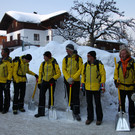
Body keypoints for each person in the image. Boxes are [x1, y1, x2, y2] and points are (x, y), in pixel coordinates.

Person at [81, 51, 106, 125]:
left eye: (89, 56)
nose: (88, 57)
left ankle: (99, 119)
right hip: (88, 88)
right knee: (89, 104)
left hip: (96, 88)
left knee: (97, 104)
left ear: (93, 57)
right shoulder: (85, 65)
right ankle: (90, 118)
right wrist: (82, 85)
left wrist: (102, 86)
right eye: (87, 56)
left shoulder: (99, 64)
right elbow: (83, 75)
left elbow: (103, 75)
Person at [35, 51, 61, 118]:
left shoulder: (54, 63)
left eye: (45, 56)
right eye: (44, 56)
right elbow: (40, 73)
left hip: (51, 82)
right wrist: (39, 82)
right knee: (41, 96)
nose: (44, 58)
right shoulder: (43, 64)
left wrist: (53, 78)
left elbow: (59, 73)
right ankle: (41, 112)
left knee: (51, 96)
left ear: (48, 57)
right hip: (44, 82)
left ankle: (50, 110)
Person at [114, 48, 135, 128]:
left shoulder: (132, 63)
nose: (122, 55)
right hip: (121, 87)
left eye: (124, 54)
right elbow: (116, 74)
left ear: (128, 54)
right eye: (121, 54)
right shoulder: (119, 64)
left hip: (131, 88)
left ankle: (132, 121)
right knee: (121, 104)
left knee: (131, 105)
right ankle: (121, 120)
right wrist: (116, 81)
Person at [62, 44, 83, 121]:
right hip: (68, 81)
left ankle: (76, 112)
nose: (66, 51)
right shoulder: (65, 59)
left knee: (76, 96)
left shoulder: (78, 58)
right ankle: (71, 110)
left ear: (71, 50)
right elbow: (64, 69)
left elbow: (80, 69)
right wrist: (68, 78)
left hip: (76, 81)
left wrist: (73, 78)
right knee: (69, 96)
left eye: (67, 49)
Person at [0, 48, 12, 114]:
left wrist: (8, 80)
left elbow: (10, 71)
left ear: (6, 53)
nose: (1, 53)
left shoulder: (9, 61)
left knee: (6, 96)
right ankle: (0, 107)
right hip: (0, 80)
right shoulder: (0, 60)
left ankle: (6, 108)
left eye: (2, 52)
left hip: (5, 81)